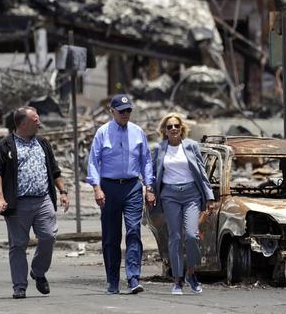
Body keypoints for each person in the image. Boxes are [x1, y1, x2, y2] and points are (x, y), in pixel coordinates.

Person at [0, 107, 70, 299]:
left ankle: (38, 271)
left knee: (49, 237)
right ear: (23, 123)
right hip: (18, 203)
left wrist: (63, 191)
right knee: (18, 245)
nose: (39, 122)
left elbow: (54, 170)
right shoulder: (4, 146)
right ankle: (19, 286)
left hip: (43, 200)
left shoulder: (42, 142)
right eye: (35, 120)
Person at [86, 94, 154, 295]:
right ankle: (113, 281)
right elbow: (93, 161)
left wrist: (149, 188)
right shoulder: (102, 132)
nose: (126, 114)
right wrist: (96, 188)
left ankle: (133, 278)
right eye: (121, 111)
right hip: (109, 187)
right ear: (112, 111)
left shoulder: (138, 132)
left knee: (133, 231)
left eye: (128, 111)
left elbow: (146, 161)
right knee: (111, 236)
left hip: (132, 187)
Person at [147, 113, 215, 295]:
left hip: (191, 194)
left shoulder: (192, 146)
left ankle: (191, 273)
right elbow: (153, 173)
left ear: (181, 128)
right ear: (164, 131)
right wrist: (150, 191)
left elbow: (201, 173)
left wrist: (209, 197)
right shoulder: (160, 148)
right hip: (169, 195)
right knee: (175, 237)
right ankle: (177, 279)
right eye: (169, 127)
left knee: (192, 236)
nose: (174, 129)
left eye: (176, 125)